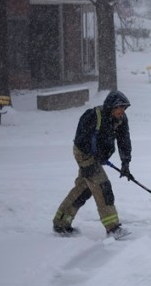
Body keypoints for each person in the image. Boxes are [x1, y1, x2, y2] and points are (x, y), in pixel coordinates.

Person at [52, 90, 134, 239]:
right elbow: (80, 139)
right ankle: (113, 228)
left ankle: (61, 223)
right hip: (84, 154)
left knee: (84, 189)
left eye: (124, 108)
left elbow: (124, 141)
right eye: (119, 107)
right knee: (103, 187)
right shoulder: (93, 116)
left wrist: (125, 163)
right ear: (111, 106)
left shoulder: (121, 119)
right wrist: (94, 153)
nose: (122, 111)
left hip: (97, 156)